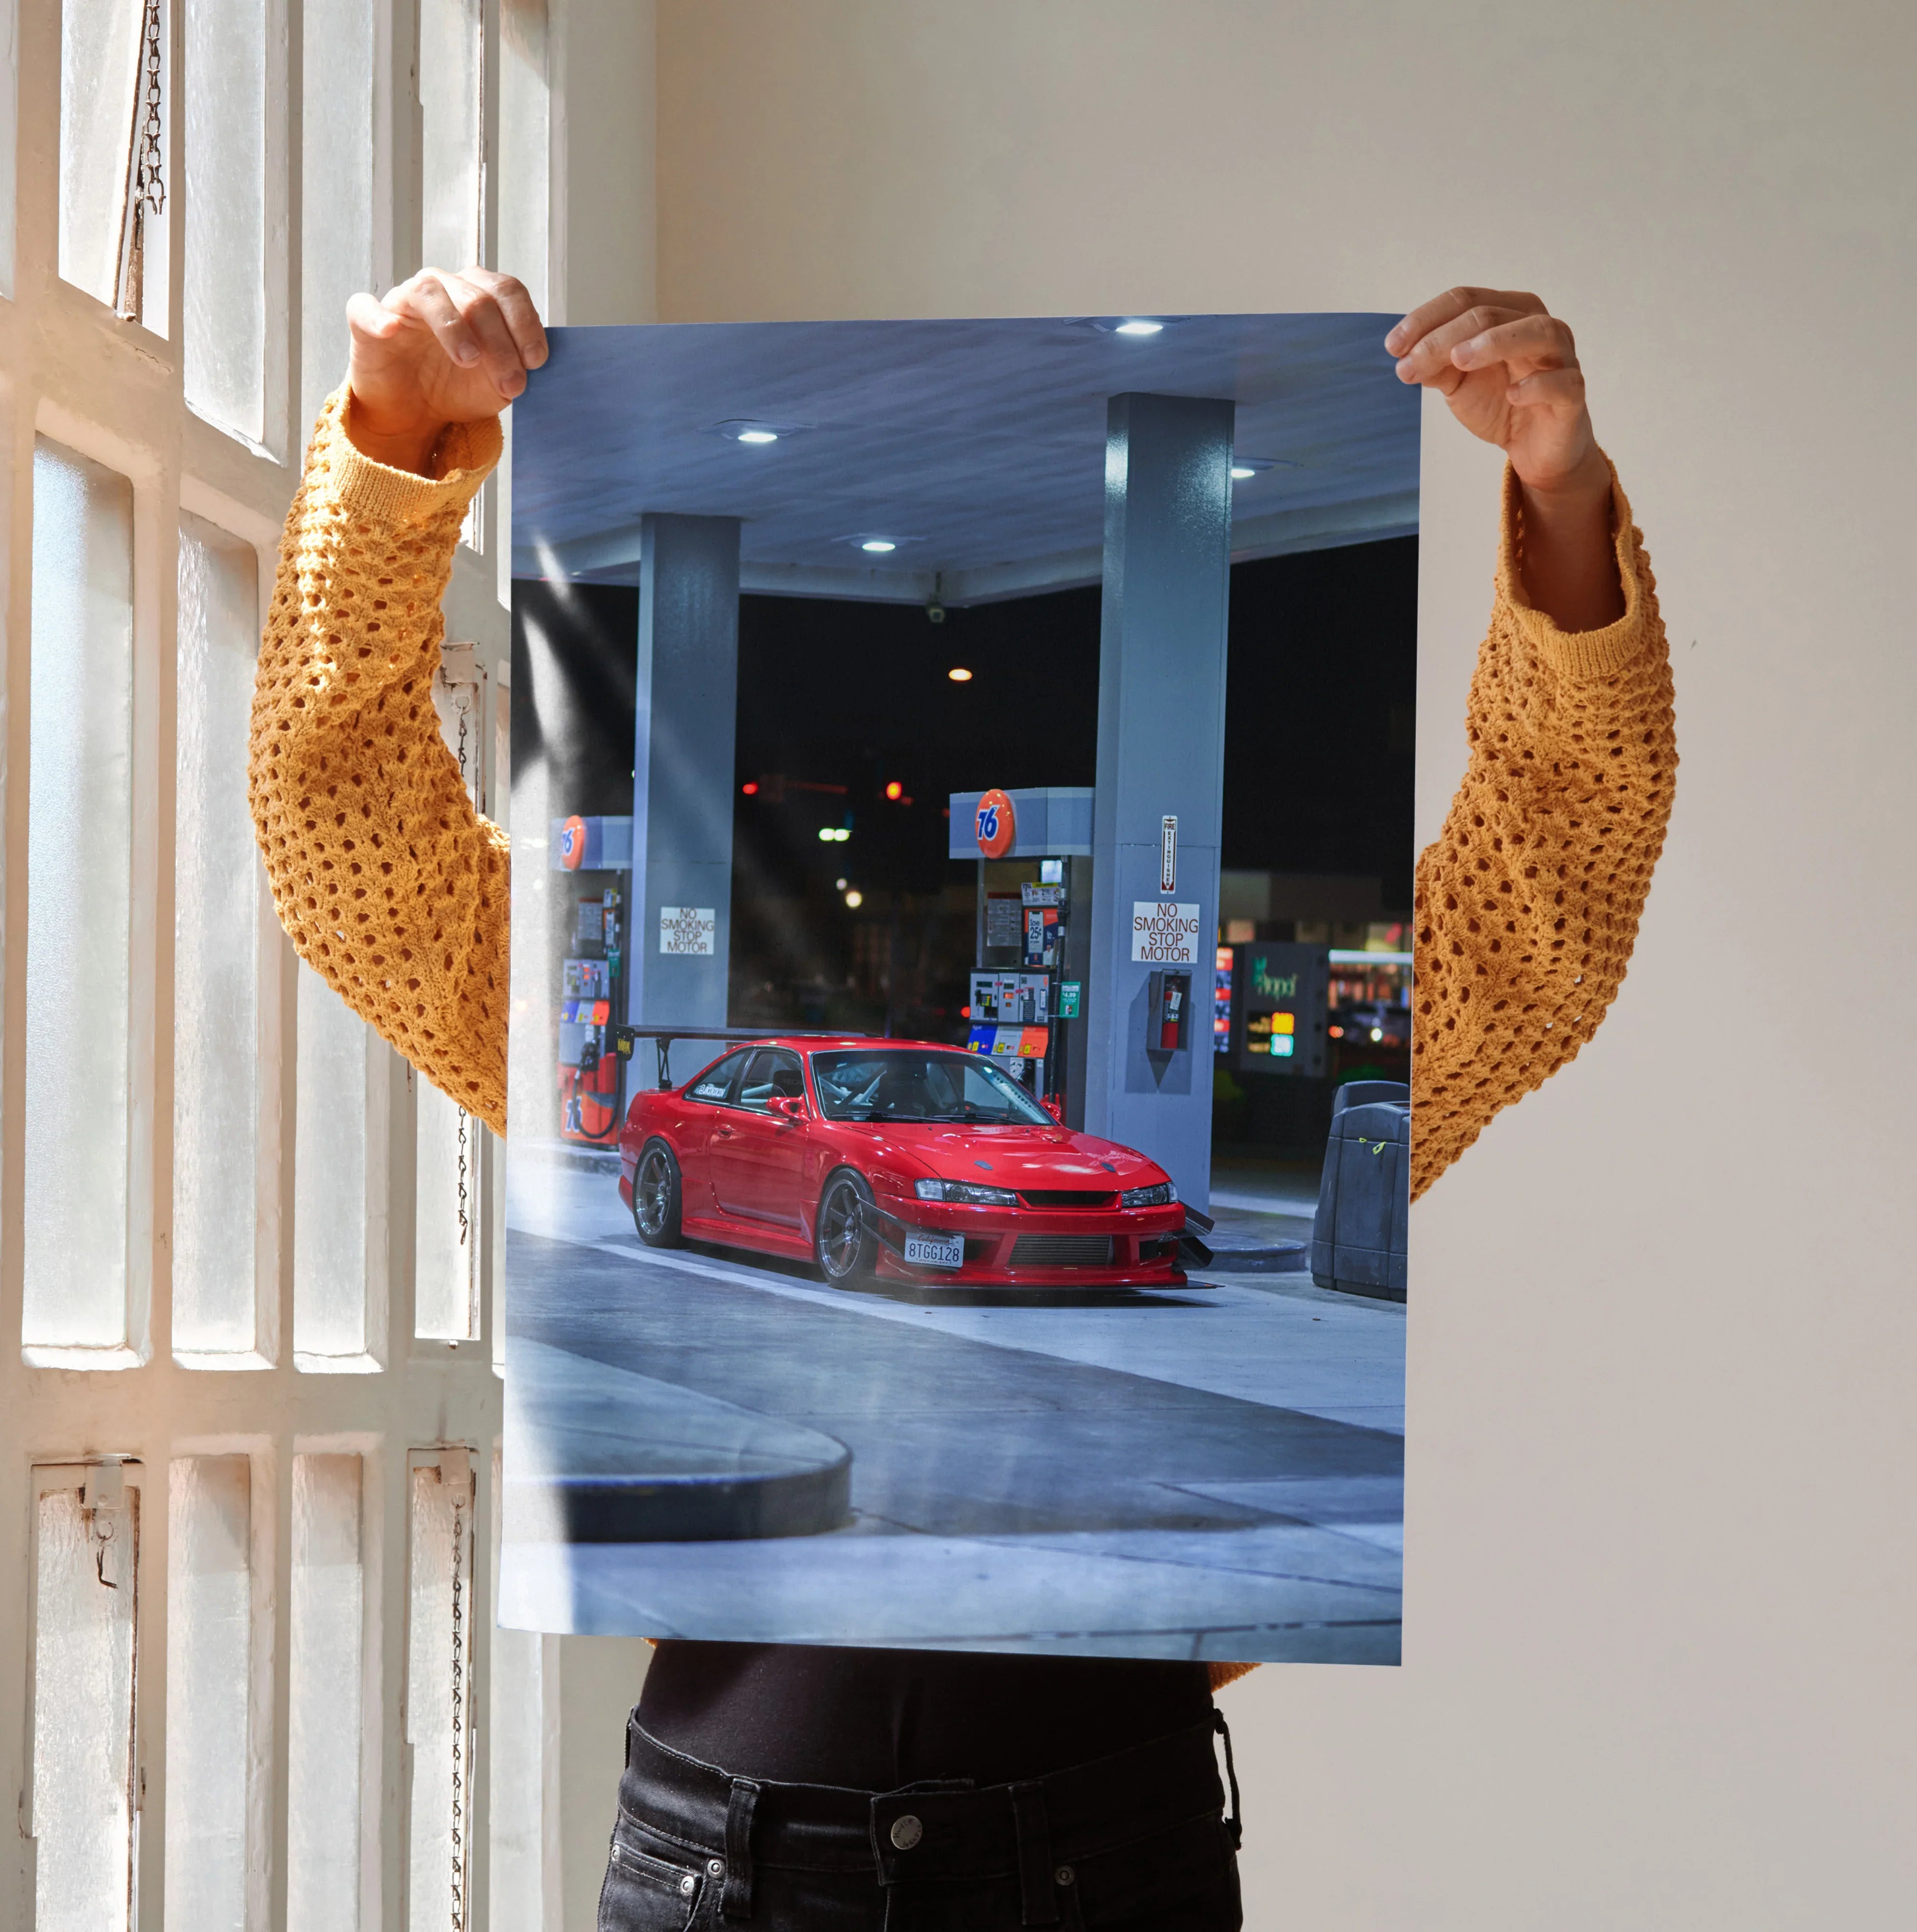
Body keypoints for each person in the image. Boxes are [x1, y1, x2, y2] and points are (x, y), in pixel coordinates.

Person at [250, 271, 1675, 1929]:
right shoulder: (664, 1082)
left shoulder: (1106, 1132)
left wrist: (1561, 497)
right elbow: (344, 837)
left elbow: (1548, 904)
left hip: (1097, 1845)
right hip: (738, 1860)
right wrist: (391, 444)